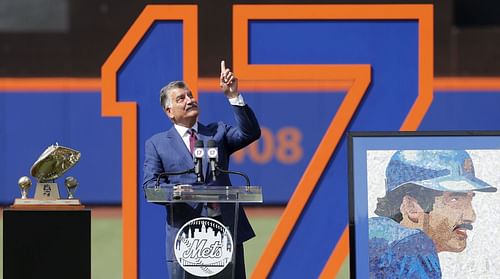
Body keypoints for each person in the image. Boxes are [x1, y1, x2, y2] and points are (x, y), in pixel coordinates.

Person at [143, 61, 261, 278]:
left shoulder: (218, 132)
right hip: (186, 236)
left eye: (190, 95)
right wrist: (177, 192)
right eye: (181, 98)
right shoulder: (157, 144)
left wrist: (233, 95)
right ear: (169, 111)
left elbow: (250, 133)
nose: (190, 100)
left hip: (225, 230)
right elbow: (150, 187)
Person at [369, 150, 497, 279]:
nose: (471, 216)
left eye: (470, 200)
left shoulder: (371, 234)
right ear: (411, 206)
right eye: (455, 199)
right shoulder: (412, 245)